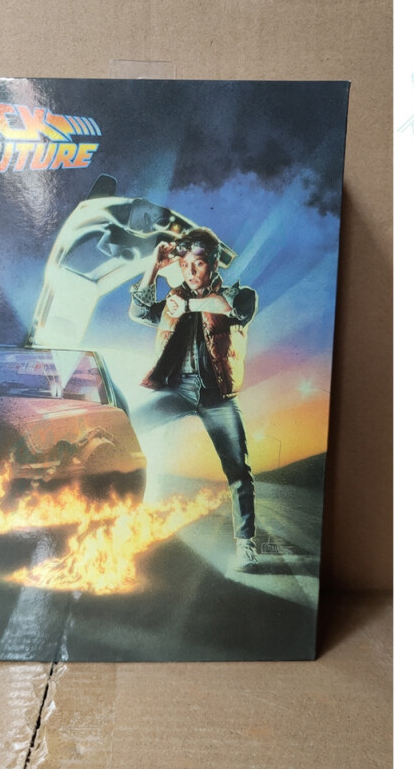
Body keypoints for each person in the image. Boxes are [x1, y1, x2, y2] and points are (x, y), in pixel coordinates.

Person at [128, 227, 260, 571]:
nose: (190, 271)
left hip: (218, 396)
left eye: (198, 264)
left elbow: (230, 308)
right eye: (185, 264)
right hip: (178, 390)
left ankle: (246, 543)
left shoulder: (238, 294)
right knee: (129, 429)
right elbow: (138, 313)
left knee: (238, 470)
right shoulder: (174, 300)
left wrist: (187, 305)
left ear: (213, 264)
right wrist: (154, 267)